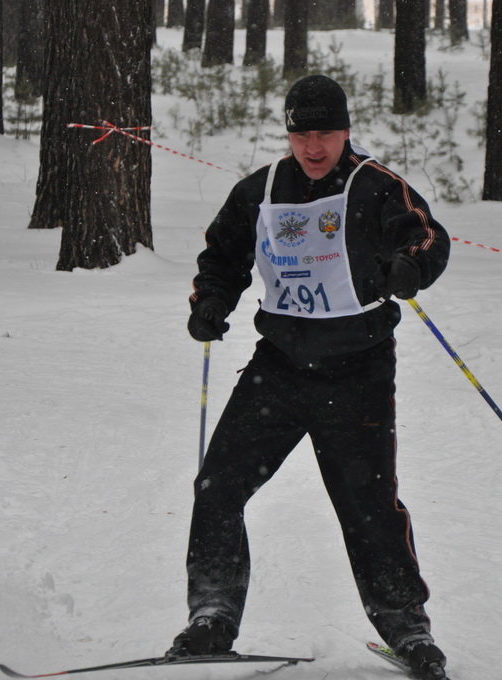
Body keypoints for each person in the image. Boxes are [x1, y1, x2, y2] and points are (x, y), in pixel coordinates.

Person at [167, 74, 451, 680]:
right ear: (289, 134)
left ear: (346, 131)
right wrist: (210, 303)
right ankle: (212, 615)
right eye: (302, 133)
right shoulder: (261, 190)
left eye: (325, 133)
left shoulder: (375, 187)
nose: (313, 146)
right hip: (282, 369)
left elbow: (429, 235)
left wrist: (410, 266)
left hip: (358, 372)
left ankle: (407, 627)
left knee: (369, 506)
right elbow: (221, 257)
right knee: (218, 486)